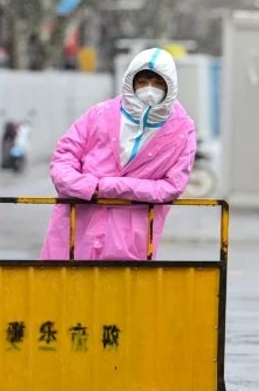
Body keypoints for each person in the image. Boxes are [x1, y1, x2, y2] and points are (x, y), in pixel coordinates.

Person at [40, 48, 197, 260]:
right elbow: (63, 158)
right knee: (63, 289)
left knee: (118, 291)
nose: (149, 89)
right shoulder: (100, 114)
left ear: (170, 86)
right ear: (130, 81)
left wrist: (112, 187)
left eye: (158, 83)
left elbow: (172, 186)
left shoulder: (181, 131)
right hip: (75, 230)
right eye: (142, 82)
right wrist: (87, 187)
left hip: (128, 243)